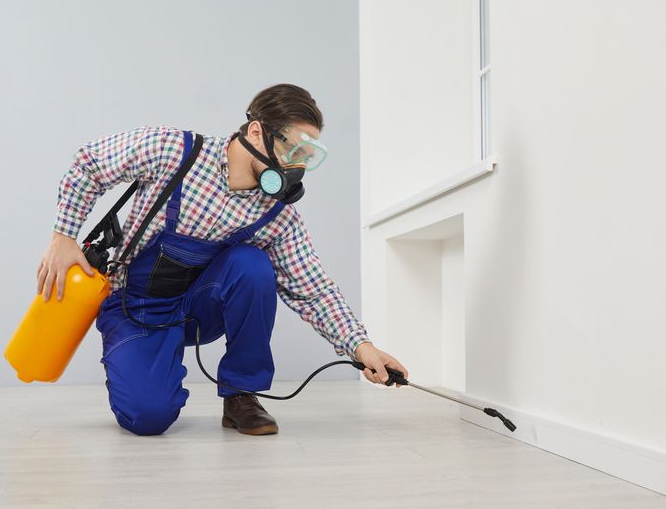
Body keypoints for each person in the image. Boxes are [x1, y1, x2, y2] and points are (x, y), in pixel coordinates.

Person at [35, 83, 409, 436]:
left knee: (252, 265)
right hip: (138, 306)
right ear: (257, 132)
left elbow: (313, 290)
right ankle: (145, 367)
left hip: (200, 310)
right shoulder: (174, 151)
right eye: (292, 151)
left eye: (307, 158)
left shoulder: (277, 215)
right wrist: (63, 236)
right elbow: (89, 163)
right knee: (147, 418)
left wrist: (362, 347)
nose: (296, 167)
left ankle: (240, 395)